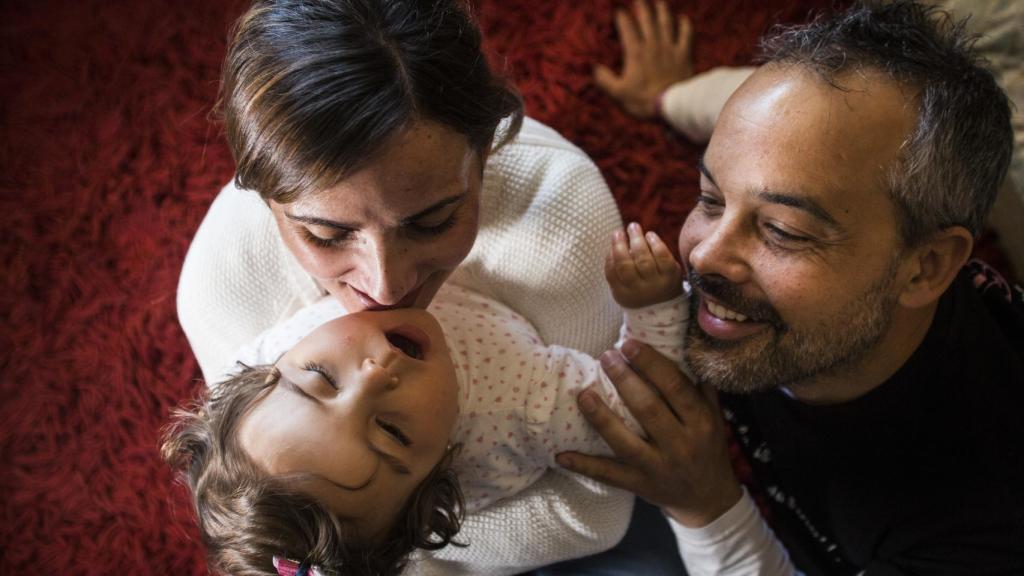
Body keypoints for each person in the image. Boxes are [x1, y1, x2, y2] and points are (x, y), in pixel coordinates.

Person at [175, 0, 683, 573]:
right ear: (263, 200)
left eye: (432, 221)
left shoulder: (561, 213)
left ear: (487, 151)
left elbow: (597, 507)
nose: (386, 288)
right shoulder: (223, 278)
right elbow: (267, 492)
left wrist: (411, 548)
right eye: (325, 234)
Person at [559, 0, 1024, 574]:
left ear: (925, 267)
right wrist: (667, 96)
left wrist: (705, 505)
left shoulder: (978, 525)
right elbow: (772, 126)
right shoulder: (813, 146)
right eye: (709, 198)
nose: (703, 254)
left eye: (783, 231)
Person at [165, 224, 687, 575]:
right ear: (436, 477)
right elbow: (637, 412)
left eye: (322, 378)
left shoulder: (264, 354)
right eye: (391, 432)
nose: (374, 376)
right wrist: (652, 306)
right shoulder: (518, 411)